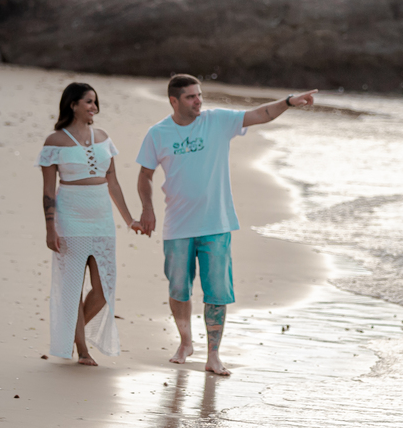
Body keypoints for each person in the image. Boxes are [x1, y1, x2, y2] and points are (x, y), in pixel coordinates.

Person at [136, 73, 317, 375]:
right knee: (179, 289)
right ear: (174, 100)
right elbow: (144, 175)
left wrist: (289, 101)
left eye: (199, 94)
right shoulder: (158, 133)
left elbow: (260, 114)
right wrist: (147, 210)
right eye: (191, 96)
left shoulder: (217, 121)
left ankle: (213, 354)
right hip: (177, 226)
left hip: (216, 224)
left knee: (217, 293)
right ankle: (185, 342)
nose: (198, 100)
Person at [39, 82, 144, 366]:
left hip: (101, 219)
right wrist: (51, 229)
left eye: (96, 102)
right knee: (72, 287)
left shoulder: (103, 137)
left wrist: (129, 219)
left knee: (103, 289)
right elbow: (49, 192)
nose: (94, 108)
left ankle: (74, 334)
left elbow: (113, 182)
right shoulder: (54, 142)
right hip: (70, 217)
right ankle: (82, 350)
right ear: (73, 104)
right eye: (89, 102)